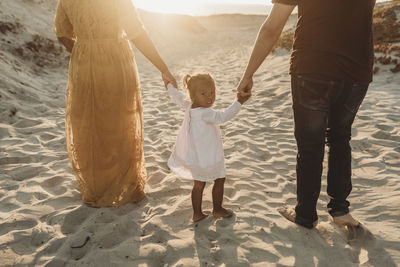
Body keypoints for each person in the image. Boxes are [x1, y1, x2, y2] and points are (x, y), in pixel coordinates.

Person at [237, 0, 375, 229]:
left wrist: (248, 74)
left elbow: (273, 27)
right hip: (357, 71)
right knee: (341, 138)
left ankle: (306, 213)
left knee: (310, 144)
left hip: (314, 67)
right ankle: (340, 209)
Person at [53, 0, 177, 207]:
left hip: (84, 63)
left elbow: (62, 33)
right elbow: (137, 33)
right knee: (120, 121)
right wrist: (163, 67)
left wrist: (84, 50)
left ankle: (97, 186)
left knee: (90, 123)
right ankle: (121, 183)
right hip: (116, 60)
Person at [165, 73, 251, 222]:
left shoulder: (188, 105)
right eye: (203, 93)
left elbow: (177, 96)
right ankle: (217, 209)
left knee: (199, 184)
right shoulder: (206, 113)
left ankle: (197, 214)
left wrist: (169, 86)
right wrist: (239, 102)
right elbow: (223, 116)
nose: (209, 97)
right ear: (192, 95)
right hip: (209, 156)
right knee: (219, 179)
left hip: (195, 156)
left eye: (212, 92)